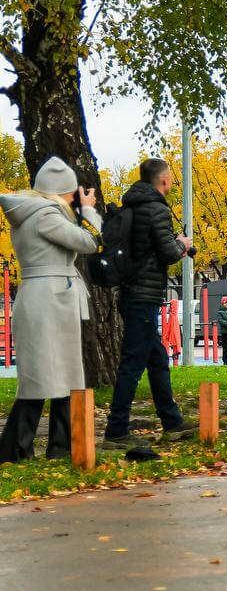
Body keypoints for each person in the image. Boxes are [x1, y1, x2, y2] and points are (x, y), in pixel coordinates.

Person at [0, 158, 102, 462]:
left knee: (54, 375)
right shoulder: (46, 215)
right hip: (51, 299)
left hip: (46, 297)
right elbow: (89, 242)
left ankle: (38, 447)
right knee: (48, 376)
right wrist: (89, 212)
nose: (75, 199)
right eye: (72, 194)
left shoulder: (33, 213)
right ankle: (25, 448)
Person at [104, 158, 199, 449]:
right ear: (164, 179)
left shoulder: (131, 207)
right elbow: (168, 253)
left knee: (157, 360)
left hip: (130, 292)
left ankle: (172, 422)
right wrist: (183, 244)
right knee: (132, 363)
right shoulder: (156, 209)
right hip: (144, 295)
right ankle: (116, 430)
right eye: (169, 177)